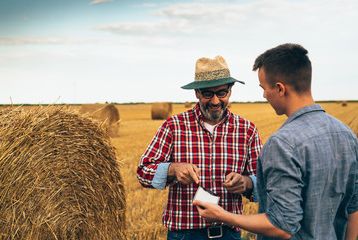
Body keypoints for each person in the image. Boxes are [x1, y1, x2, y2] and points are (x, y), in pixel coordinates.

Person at [193, 43, 358, 240]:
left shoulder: (282, 143)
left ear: (280, 88)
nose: (264, 95)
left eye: (264, 88)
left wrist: (224, 216)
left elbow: (282, 226)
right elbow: (353, 208)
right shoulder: (347, 134)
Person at [137, 55, 263, 239]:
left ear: (230, 91)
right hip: (184, 235)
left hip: (229, 233)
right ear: (196, 92)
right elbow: (143, 172)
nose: (215, 101)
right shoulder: (173, 126)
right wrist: (173, 169)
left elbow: (264, 181)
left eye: (221, 93)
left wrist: (246, 183)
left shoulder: (247, 130)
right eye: (207, 94)